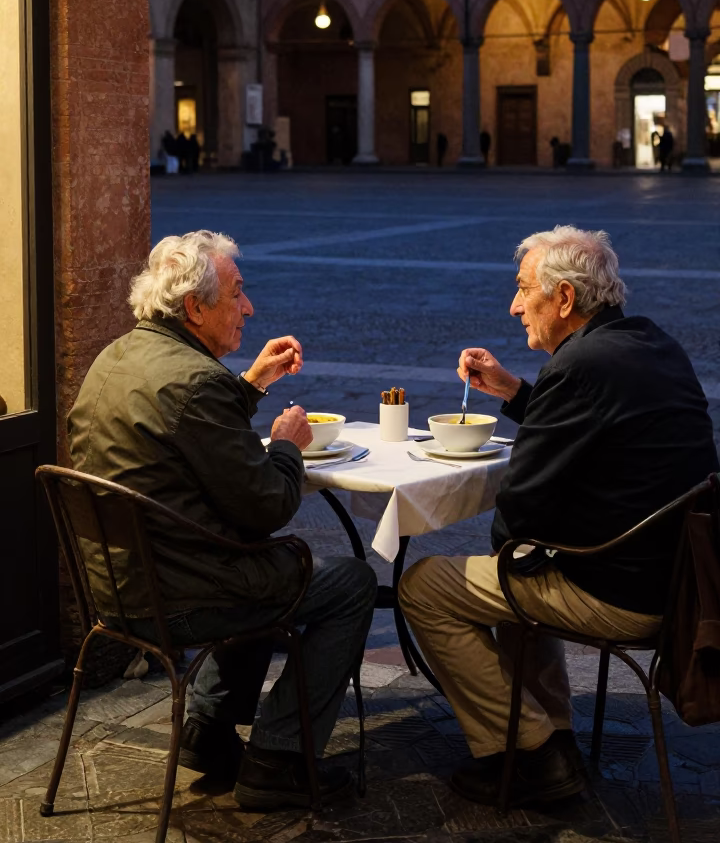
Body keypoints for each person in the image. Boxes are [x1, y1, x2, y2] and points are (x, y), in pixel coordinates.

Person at [400, 225, 718, 808]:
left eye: (524, 290)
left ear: (565, 299)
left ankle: (528, 754)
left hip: (621, 593)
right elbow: (594, 425)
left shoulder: (579, 367)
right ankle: (555, 736)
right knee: (521, 566)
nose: (515, 305)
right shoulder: (650, 343)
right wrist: (516, 393)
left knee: (429, 585)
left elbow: (519, 508)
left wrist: (510, 552)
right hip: (674, 583)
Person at [68, 230, 377, 810]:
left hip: (117, 583)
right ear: (194, 307)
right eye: (237, 293)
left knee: (259, 554)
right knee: (348, 583)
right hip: (180, 591)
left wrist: (252, 384)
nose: (249, 307)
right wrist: (286, 445)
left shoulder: (120, 354)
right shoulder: (195, 380)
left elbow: (188, 432)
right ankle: (279, 758)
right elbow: (266, 502)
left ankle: (207, 731)